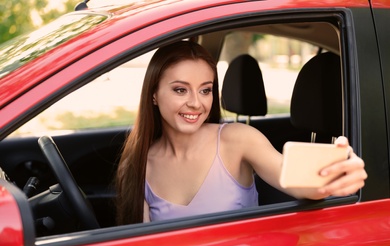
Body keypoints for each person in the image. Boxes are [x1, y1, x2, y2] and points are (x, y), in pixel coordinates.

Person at [115, 40, 367, 225]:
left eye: (205, 90)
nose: (196, 103)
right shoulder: (137, 166)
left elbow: (297, 182)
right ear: (154, 95)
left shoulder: (238, 139)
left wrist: (336, 176)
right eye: (181, 90)